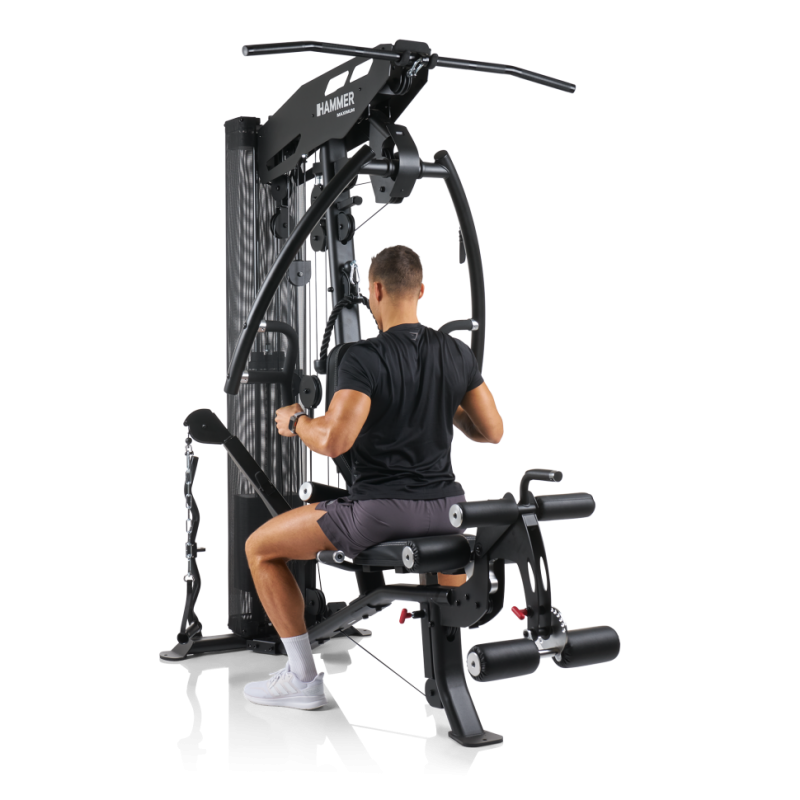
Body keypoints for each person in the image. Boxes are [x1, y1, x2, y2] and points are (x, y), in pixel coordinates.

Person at [243, 244, 504, 709]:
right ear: (421, 290)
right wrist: (442, 403)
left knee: (260, 548)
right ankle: (448, 687)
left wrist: (297, 421)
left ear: (375, 290)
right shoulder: (456, 351)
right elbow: (492, 431)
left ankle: (302, 678)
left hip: (382, 513)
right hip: (448, 511)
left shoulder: (362, 357)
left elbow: (333, 441)